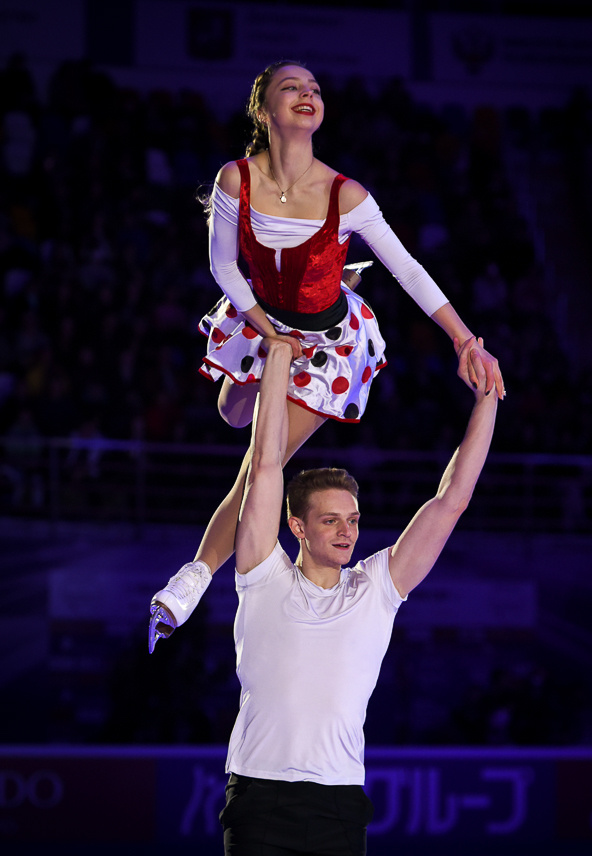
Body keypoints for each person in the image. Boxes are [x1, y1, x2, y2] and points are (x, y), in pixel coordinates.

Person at [148, 60, 504, 650]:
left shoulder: (347, 194)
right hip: (263, 321)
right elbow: (222, 265)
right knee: (232, 414)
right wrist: (264, 330)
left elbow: (411, 270)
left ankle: (192, 577)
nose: (307, 94)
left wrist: (465, 339)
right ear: (265, 111)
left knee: (263, 465)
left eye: (314, 88)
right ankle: (301, 323)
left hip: (324, 346)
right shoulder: (236, 180)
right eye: (292, 87)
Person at [213, 333, 498, 856]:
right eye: (330, 521)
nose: (348, 530)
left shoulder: (375, 588)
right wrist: (276, 359)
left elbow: (451, 499)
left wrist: (487, 398)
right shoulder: (261, 575)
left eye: (353, 519)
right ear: (297, 527)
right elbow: (266, 465)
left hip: (340, 802)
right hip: (259, 799)